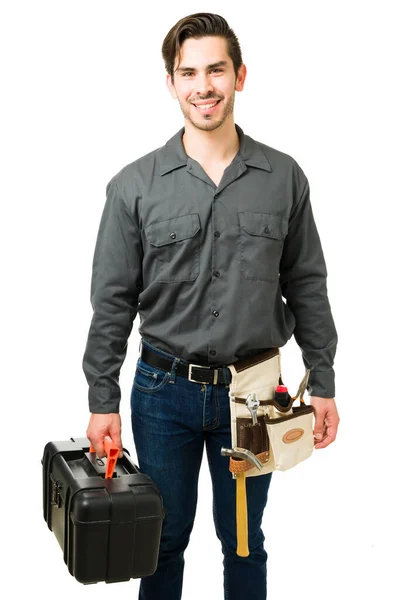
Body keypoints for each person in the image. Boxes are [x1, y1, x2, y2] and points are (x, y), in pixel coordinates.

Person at [82, 12, 339, 600]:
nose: (204, 85)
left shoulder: (284, 177)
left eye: (216, 70)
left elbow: (308, 284)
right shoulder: (134, 186)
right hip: (160, 394)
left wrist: (321, 379)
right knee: (160, 540)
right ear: (171, 83)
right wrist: (103, 400)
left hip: (254, 394)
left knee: (245, 540)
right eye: (189, 72)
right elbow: (112, 303)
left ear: (239, 75)